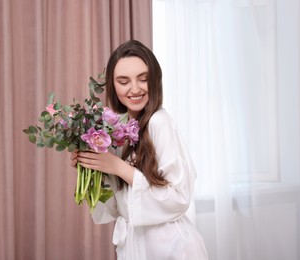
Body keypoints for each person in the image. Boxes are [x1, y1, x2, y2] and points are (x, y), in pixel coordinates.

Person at [70, 40, 208, 260]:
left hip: (170, 247)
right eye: (123, 81)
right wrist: (93, 169)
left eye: (143, 79)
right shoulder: (117, 129)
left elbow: (179, 198)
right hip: (135, 244)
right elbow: (117, 208)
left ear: (154, 81)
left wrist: (120, 168)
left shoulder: (159, 122)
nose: (135, 89)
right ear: (113, 85)